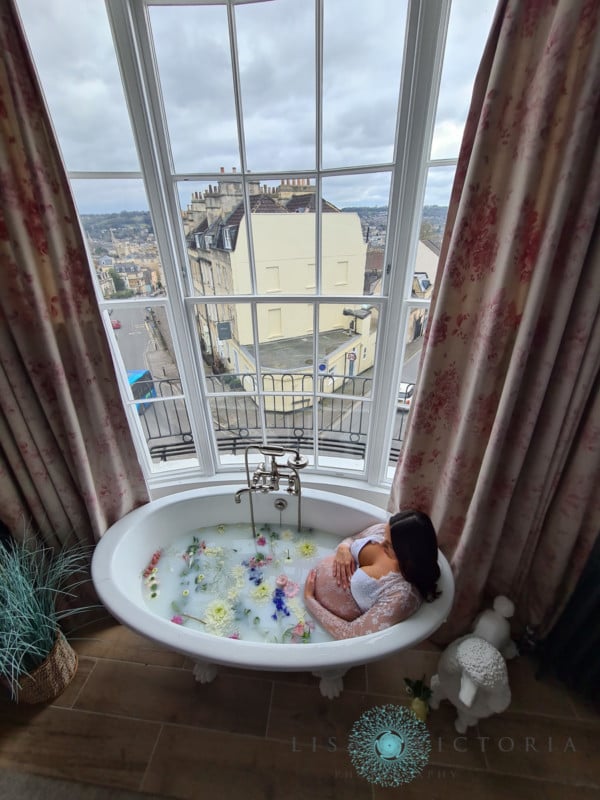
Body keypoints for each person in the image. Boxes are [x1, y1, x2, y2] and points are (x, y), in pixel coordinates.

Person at [303, 510, 441, 640]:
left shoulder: (402, 595)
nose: (381, 543)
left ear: (409, 555)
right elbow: (352, 538)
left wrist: (309, 600)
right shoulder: (385, 531)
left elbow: (350, 635)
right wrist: (343, 548)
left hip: (318, 625)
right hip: (303, 586)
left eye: (388, 545)